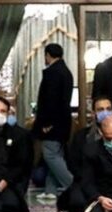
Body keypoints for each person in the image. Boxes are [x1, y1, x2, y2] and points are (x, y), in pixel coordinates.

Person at [62, 96, 112, 212]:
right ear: (93, 114)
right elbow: (73, 164)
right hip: (87, 182)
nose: (105, 113)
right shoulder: (81, 137)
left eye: (108, 109)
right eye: (101, 110)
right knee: (77, 203)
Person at [35, 43, 74, 201]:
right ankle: (50, 189)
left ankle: (73, 186)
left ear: (48, 55)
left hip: (53, 124)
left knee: (50, 155)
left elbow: (51, 101)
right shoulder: (66, 71)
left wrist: (47, 123)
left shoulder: (53, 73)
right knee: (55, 155)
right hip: (63, 122)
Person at [0, 96, 32, 212]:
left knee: (10, 205)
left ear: (8, 113)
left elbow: (20, 165)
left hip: (9, 182)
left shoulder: (19, 135)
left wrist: (4, 182)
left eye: (2, 111)